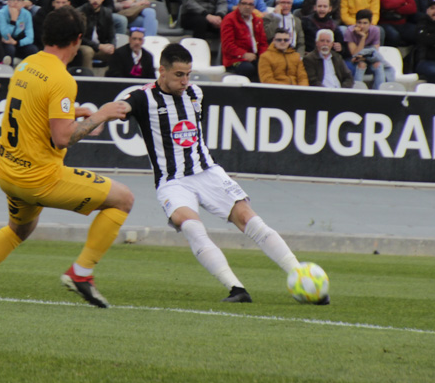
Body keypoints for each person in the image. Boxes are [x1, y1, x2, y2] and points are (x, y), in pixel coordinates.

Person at [0, 6, 134, 306]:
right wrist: (100, 116)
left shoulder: (26, 65)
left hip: (9, 173)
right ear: (77, 40)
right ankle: (81, 273)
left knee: (20, 229)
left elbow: (36, 108)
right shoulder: (62, 79)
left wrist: (75, 111)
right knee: (124, 199)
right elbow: (62, 139)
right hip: (40, 179)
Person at [121, 43, 318, 303]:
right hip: (172, 181)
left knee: (250, 219)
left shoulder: (195, 94)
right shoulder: (142, 97)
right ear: (162, 71)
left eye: (188, 74)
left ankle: (301, 275)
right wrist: (92, 120)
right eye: (179, 74)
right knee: (191, 226)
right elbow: (119, 109)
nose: (185, 80)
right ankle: (236, 289)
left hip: (207, 172)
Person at [220, 0, 268, 80]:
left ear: (254, 7)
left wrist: (263, 57)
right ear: (238, 5)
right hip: (234, 60)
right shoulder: (229, 19)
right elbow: (228, 45)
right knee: (248, 69)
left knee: (266, 66)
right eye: (244, 3)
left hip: (254, 56)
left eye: (250, 4)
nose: (247, 7)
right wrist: (244, 54)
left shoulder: (257, 20)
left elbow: (263, 43)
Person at [344, 8, 394, 89]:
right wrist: (363, 38)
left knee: (379, 65)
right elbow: (354, 54)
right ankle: (357, 91)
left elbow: (374, 52)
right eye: (359, 23)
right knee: (361, 65)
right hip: (354, 60)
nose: (361, 26)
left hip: (369, 58)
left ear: (370, 23)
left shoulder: (376, 30)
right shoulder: (349, 31)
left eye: (365, 23)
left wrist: (363, 56)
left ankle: (379, 92)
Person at [76, 0, 116, 69]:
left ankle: (112, 79)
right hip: (83, 46)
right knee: (88, 51)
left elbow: (112, 34)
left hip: (101, 46)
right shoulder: (79, 12)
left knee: (118, 53)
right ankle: (88, 79)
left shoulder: (107, 12)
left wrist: (112, 46)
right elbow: (80, 37)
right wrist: (99, 46)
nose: (95, 0)